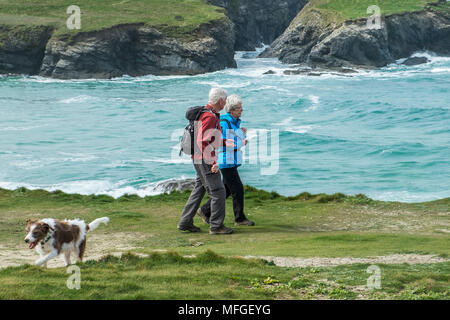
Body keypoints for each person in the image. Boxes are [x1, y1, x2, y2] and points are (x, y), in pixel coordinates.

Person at [178, 88, 235, 235]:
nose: (226, 102)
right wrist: (214, 161)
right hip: (204, 158)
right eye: (225, 99)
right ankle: (216, 226)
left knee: (200, 188)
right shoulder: (210, 117)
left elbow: (208, 138)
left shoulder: (205, 113)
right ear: (221, 101)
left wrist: (223, 142)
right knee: (218, 191)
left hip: (198, 157)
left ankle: (185, 222)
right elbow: (203, 141)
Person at [197, 94, 255, 226]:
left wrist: (242, 134)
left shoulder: (234, 122)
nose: (242, 110)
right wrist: (242, 142)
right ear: (232, 110)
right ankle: (239, 219)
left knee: (227, 189)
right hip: (225, 161)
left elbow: (234, 138)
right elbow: (223, 141)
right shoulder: (225, 122)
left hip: (231, 160)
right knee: (238, 189)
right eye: (239, 108)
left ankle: (205, 210)